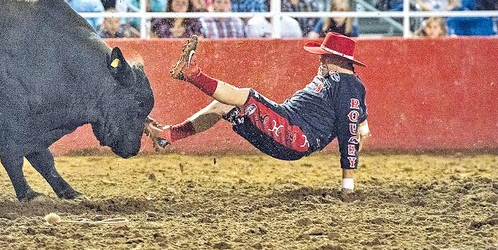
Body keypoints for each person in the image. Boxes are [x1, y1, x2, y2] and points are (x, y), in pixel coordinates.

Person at [147, 33, 370, 193]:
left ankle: (194, 74)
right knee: (222, 105)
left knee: (245, 95)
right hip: (288, 127)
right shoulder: (345, 86)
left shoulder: (348, 86)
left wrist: (347, 186)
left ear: (337, 60)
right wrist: (363, 125)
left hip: (295, 135)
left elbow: (349, 136)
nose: (320, 60)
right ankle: (168, 136)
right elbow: (358, 124)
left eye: (325, 57)